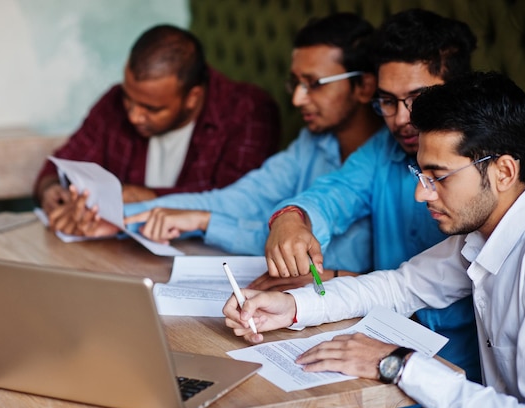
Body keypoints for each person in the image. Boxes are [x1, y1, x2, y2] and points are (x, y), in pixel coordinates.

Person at [224, 71, 525, 408]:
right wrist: (291, 306)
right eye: (421, 176)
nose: (421, 193)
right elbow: (399, 287)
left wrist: (397, 363)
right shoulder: (485, 233)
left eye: (438, 177)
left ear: (504, 173)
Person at [64, 13, 385, 276]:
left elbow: (314, 253)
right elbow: (237, 199)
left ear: (364, 86)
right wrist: (116, 216)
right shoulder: (311, 143)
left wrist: (204, 222)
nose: (298, 98)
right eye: (296, 83)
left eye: (314, 84)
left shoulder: (389, 158)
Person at [261, 8, 482, 384]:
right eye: (388, 101)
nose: (400, 119)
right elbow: (333, 194)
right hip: (376, 354)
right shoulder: (381, 149)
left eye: (418, 98)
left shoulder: (492, 172)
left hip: (459, 375)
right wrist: (291, 217)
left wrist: (342, 279)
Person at [33, 24, 280, 231]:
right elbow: (59, 165)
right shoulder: (114, 102)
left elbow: (238, 203)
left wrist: (145, 197)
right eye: (129, 99)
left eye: (151, 109)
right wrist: (52, 191)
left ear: (192, 97)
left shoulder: (248, 112)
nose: (134, 116)